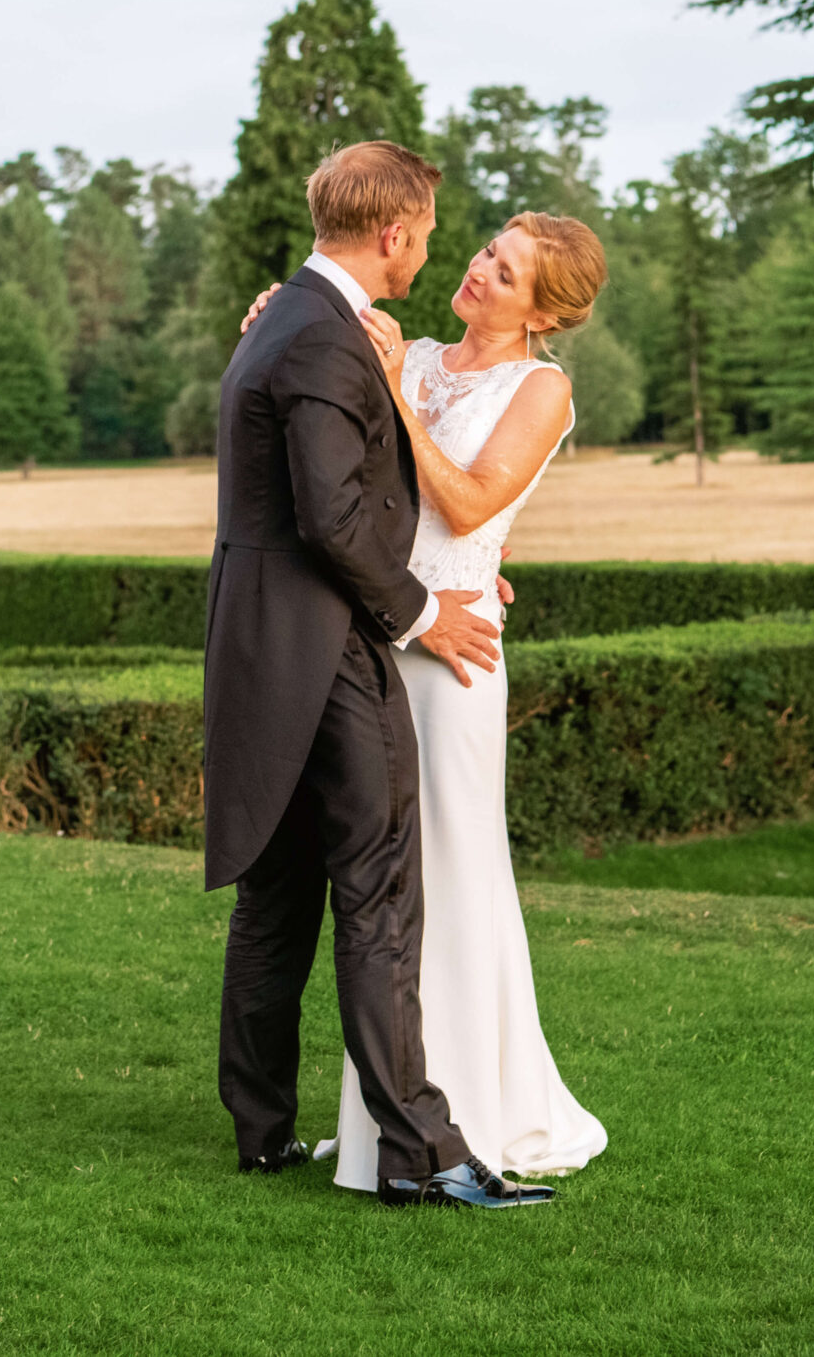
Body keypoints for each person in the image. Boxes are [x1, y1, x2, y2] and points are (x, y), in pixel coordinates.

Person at [205, 140, 556, 1211]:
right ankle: (420, 1152)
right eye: (439, 238)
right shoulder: (320, 332)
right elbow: (332, 517)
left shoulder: (292, 317)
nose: (446, 256)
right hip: (332, 646)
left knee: (279, 894)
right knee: (378, 892)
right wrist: (425, 609)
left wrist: (468, 568)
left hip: (272, 641)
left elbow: (402, 491)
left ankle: (264, 1131)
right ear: (394, 234)